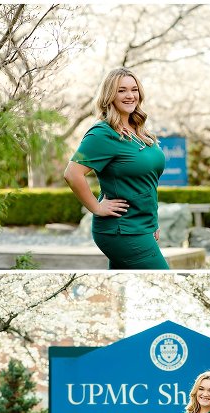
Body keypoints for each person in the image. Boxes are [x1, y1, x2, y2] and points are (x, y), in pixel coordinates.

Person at [64, 67, 168, 269]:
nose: (130, 96)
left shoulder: (140, 132)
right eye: (121, 90)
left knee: (124, 293)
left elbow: (146, 184)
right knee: (165, 286)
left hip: (141, 226)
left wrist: (152, 222)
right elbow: (72, 174)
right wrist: (97, 207)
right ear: (109, 95)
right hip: (121, 230)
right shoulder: (102, 133)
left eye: (134, 89)